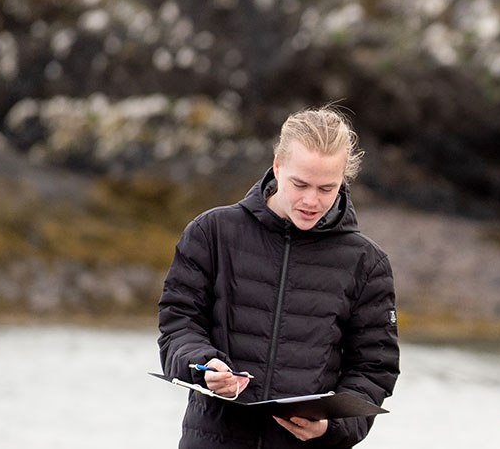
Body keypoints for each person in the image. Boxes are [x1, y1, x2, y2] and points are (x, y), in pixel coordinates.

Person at [157, 107, 400, 448]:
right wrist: (204, 366)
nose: (311, 200)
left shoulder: (367, 263)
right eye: (299, 184)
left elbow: (375, 368)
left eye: (326, 188)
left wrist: (331, 427)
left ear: (343, 180)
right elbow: (177, 327)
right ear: (277, 166)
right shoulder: (211, 232)